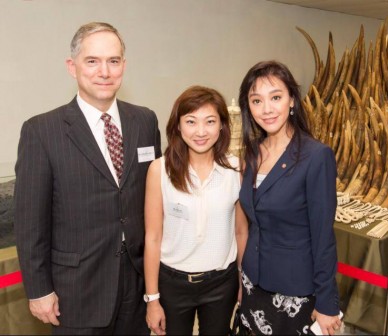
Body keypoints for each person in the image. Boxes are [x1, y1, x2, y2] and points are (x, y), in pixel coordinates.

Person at [14, 22, 162, 335]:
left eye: (114, 61)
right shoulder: (42, 131)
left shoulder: (145, 120)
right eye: (92, 61)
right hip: (75, 292)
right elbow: (30, 222)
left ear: (124, 65)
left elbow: (153, 199)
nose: (104, 72)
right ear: (73, 66)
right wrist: (39, 290)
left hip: (136, 286)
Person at [236, 60, 342, 335]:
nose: (267, 109)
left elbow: (323, 235)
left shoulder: (316, 156)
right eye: (256, 100)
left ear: (292, 100)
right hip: (253, 283)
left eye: (276, 97)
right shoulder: (251, 153)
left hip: (294, 291)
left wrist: (328, 301)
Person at [143, 85, 245, 335]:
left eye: (210, 121)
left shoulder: (236, 170)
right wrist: (152, 299)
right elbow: (152, 237)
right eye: (191, 121)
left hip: (222, 283)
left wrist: (244, 282)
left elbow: (241, 232)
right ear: (178, 126)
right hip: (172, 284)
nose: (201, 131)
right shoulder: (160, 170)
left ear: (222, 125)